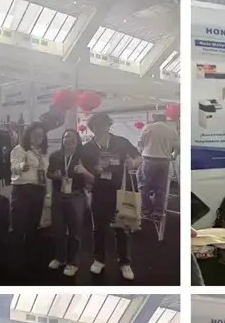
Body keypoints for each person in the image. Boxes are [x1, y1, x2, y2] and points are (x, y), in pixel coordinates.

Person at [82, 112, 143, 281]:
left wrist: (133, 163)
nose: (99, 128)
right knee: (98, 228)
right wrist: (91, 172)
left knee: (122, 227)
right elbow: (83, 166)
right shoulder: (87, 147)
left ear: (108, 125)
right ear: (92, 128)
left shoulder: (121, 142)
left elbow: (139, 156)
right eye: (95, 125)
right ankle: (99, 259)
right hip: (98, 191)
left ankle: (125, 262)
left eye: (103, 124)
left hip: (119, 190)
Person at [47, 129, 94, 277]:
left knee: (75, 232)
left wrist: (83, 171)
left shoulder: (84, 156)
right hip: (58, 196)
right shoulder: (55, 156)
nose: (69, 139)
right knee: (58, 230)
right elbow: (48, 173)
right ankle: (60, 258)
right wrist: (55, 176)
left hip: (76, 197)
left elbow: (92, 178)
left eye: (73, 137)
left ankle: (73, 263)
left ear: (78, 140)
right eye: (66, 136)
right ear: (62, 139)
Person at [9, 122, 49, 277]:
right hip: (23, 190)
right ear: (28, 134)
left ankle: (30, 258)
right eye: (35, 135)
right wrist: (21, 166)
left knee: (33, 226)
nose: (38, 138)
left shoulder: (42, 152)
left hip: (38, 189)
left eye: (41, 135)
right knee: (18, 226)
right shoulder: (20, 149)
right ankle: (16, 261)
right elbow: (14, 166)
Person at [138, 114, 179, 218]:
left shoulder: (148, 128)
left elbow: (140, 144)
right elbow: (178, 147)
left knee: (144, 187)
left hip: (149, 160)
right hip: (164, 161)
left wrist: (142, 152)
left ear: (154, 119)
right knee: (160, 188)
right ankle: (158, 212)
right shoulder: (171, 130)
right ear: (165, 120)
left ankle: (146, 211)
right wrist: (174, 156)